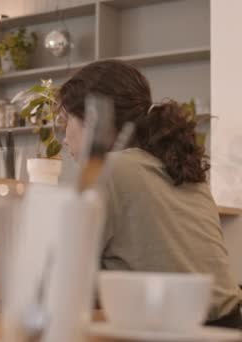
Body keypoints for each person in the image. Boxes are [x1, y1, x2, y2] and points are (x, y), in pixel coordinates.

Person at [57, 60, 242, 328]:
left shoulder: (107, 172)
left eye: (66, 121)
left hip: (178, 334)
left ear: (93, 120)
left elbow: (66, 282)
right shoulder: (183, 171)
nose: (64, 137)